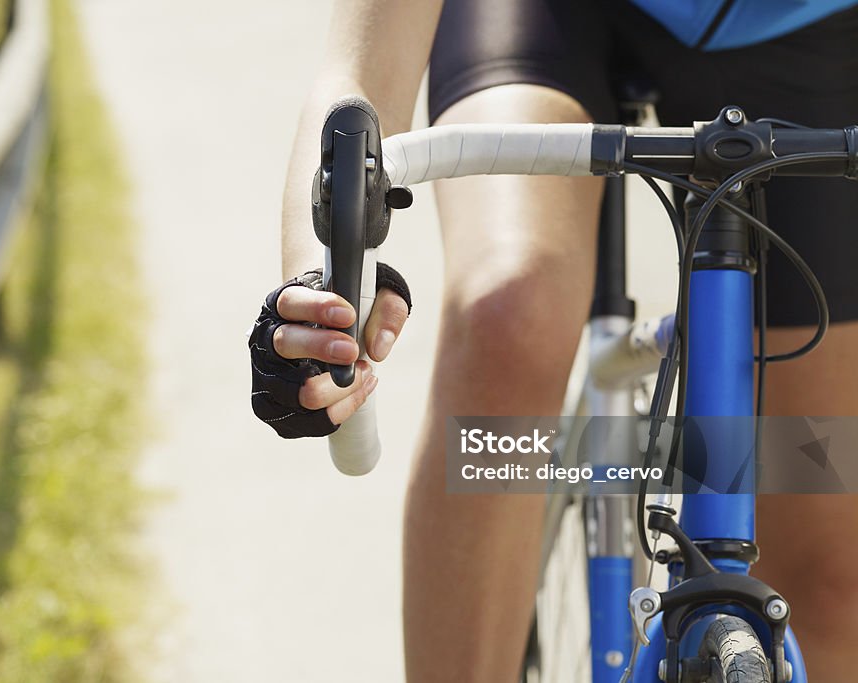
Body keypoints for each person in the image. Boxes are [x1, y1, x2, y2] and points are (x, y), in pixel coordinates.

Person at [250, 1, 858, 679]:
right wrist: (319, 300)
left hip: (801, 26)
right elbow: (359, 84)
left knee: (827, 568)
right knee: (509, 313)